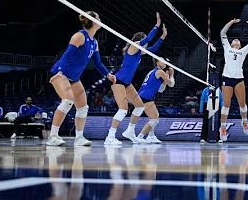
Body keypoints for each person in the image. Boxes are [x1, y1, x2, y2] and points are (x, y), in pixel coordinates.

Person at [48, 11, 116, 147]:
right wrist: (61, 71)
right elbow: (67, 55)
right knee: (67, 101)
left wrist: (107, 74)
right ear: (92, 21)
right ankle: (52, 136)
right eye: (98, 17)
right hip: (60, 73)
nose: (100, 20)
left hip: (74, 78)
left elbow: (98, 63)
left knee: (83, 107)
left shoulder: (94, 42)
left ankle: (79, 138)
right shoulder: (79, 36)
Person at [105, 13, 166, 145]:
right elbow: (147, 39)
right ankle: (110, 136)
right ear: (140, 40)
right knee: (123, 109)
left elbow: (153, 49)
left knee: (139, 106)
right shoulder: (134, 46)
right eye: (145, 41)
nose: (146, 43)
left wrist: (163, 36)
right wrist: (157, 26)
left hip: (127, 83)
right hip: (118, 81)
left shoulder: (139, 52)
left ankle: (130, 131)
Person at [219, 18, 248, 142]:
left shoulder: (242, 51)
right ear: (230, 44)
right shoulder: (227, 48)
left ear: (239, 45)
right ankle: (223, 128)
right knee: (226, 105)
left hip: (239, 79)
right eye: (233, 40)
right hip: (227, 78)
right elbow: (223, 33)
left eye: (238, 40)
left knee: (242, 104)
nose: (235, 40)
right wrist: (231, 22)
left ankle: (244, 122)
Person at [132, 58, 175, 144]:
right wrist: (171, 75)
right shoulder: (160, 72)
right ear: (157, 63)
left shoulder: (155, 72)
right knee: (155, 119)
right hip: (146, 96)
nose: (164, 62)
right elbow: (171, 84)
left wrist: (165, 80)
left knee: (155, 116)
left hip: (142, 95)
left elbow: (160, 90)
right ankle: (140, 136)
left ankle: (151, 136)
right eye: (162, 60)